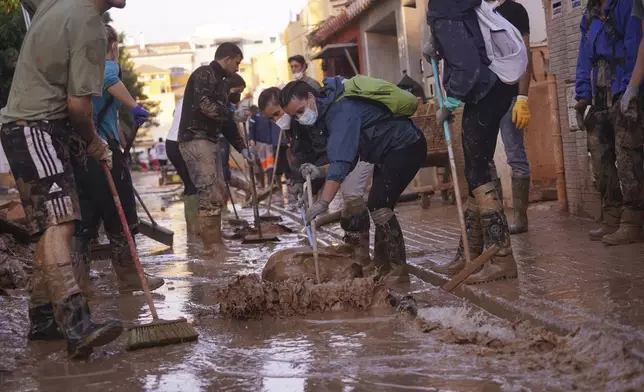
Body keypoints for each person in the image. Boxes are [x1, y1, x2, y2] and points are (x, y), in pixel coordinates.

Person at [0, 0, 125, 358]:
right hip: (37, 127)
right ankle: (77, 323)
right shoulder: (90, 26)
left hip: (27, 127)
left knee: (49, 227)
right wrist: (94, 143)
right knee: (60, 224)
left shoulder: (58, 2)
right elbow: (78, 107)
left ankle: (43, 320)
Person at [280, 80, 426, 283]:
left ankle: (398, 271)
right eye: (294, 116)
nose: (300, 118)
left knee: (379, 204)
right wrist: (320, 171)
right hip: (385, 153)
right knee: (380, 204)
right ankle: (383, 265)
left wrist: (323, 202)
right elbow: (349, 157)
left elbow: (340, 162)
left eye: (300, 111)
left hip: (405, 145)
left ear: (311, 97)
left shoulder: (341, 111)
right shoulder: (324, 116)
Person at [426, 0, 522, 283]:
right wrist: (435, 41)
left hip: (484, 91)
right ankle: (471, 251)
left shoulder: (443, 7)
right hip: (494, 88)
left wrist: (451, 101)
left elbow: (467, 66)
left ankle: (502, 257)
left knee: (478, 169)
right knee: (475, 168)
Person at [71, 23, 164, 296]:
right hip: (101, 152)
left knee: (85, 219)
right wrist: (134, 105)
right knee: (120, 212)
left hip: (78, 152)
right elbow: (110, 78)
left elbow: (100, 109)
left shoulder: (77, 70)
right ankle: (130, 278)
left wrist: (121, 133)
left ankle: (79, 283)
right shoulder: (105, 64)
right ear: (112, 45)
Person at [260, 87, 375, 263]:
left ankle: (363, 258)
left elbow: (324, 155)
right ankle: (353, 253)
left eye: (277, 113)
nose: (277, 120)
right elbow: (302, 157)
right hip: (338, 159)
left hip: (358, 150)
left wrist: (321, 198)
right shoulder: (293, 125)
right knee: (349, 199)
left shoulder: (308, 116)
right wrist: (301, 183)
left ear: (285, 105)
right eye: (271, 118)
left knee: (352, 196)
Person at [575, 0, 643, 245]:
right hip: (599, 96)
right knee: (599, 157)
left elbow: (634, 47)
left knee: (628, 158)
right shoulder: (590, 14)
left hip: (622, 91)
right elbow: (584, 57)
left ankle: (633, 222)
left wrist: (628, 91)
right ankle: (611, 216)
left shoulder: (626, 5)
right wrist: (582, 96)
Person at [177, 42, 253, 249]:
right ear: (227, 59)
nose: (238, 68)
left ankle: (214, 241)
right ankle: (212, 249)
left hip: (208, 140)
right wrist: (232, 114)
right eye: (237, 63)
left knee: (218, 191)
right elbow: (204, 105)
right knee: (209, 194)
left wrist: (242, 147)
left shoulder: (221, 83)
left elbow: (226, 123)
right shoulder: (205, 73)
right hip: (195, 139)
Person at [488, 0, 533, 235]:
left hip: (509, 95)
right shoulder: (476, 12)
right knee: (484, 159)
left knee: (515, 153)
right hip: (484, 97)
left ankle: (520, 217)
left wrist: (523, 98)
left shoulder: (515, 11)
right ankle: (495, 217)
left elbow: (525, 53)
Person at [166, 97, 200, 233]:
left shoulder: (182, 99)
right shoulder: (201, 99)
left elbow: (175, 114)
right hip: (181, 144)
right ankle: (195, 231)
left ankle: (192, 231)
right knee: (194, 186)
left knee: (190, 185)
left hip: (171, 143)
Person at [248, 105, 275, 187]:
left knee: (263, 161)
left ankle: (264, 183)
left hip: (260, 142)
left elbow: (251, 128)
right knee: (270, 161)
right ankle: (270, 182)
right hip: (269, 142)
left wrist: (251, 138)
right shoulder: (266, 115)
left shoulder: (254, 117)